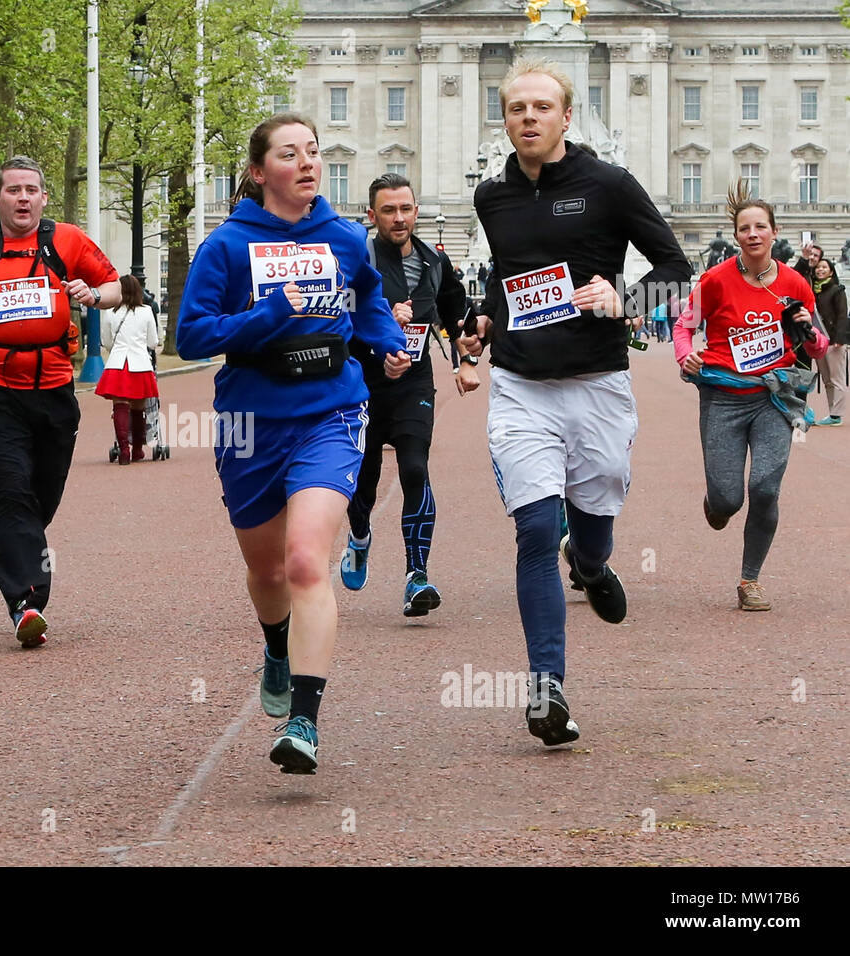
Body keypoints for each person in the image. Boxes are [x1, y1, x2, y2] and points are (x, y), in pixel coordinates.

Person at [461, 58, 691, 747]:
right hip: (522, 386)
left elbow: (677, 268)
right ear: (504, 119)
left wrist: (627, 302)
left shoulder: (610, 184)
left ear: (566, 115)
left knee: (593, 518)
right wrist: (484, 321)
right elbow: (504, 278)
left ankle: (589, 563)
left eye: (541, 107)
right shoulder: (490, 197)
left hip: (597, 386)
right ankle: (547, 687)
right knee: (533, 530)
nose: (527, 118)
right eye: (515, 108)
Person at [175, 114, 411, 774]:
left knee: (308, 562)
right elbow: (192, 337)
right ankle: (276, 644)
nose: (308, 163)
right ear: (259, 172)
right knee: (269, 571)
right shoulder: (226, 246)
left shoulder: (342, 236)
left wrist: (387, 344)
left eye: (313, 152)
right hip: (250, 422)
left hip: (330, 412)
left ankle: (304, 719)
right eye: (290, 154)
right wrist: (268, 316)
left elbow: (367, 297)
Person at [0, 155, 120, 648]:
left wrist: (93, 294)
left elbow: (117, 287)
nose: (22, 198)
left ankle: (7, 539)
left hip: (56, 389)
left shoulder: (69, 241)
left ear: (43, 198)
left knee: (41, 499)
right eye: (12, 190)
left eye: (31, 190)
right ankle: (27, 602)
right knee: (12, 490)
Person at [675, 182, 828, 611]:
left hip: (773, 398)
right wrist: (687, 357)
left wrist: (807, 328)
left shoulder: (796, 283)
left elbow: (819, 345)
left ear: (774, 232)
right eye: (745, 228)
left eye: (761, 226)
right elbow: (683, 326)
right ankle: (716, 502)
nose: (753, 234)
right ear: (737, 235)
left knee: (764, 487)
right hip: (722, 396)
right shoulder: (715, 280)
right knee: (728, 499)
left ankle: (750, 580)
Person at [340, 172, 475, 618]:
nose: (399, 218)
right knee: (367, 477)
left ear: (416, 210)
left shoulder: (435, 260)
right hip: (363, 381)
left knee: (415, 466)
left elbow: (458, 314)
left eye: (406, 209)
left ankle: (417, 574)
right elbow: (335, 315)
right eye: (389, 210)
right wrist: (379, 321)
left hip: (414, 379)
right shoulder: (356, 258)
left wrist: (467, 356)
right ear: (372, 215)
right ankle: (359, 537)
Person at [96, 274, 159, 463]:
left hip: (117, 364)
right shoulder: (146, 311)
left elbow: (106, 342)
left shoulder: (110, 313)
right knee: (138, 409)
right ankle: (138, 449)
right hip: (139, 364)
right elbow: (153, 342)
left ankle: (124, 449)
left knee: (120, 407)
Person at [809, 259, 847, 426]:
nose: (820, 270)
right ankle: (832, 413)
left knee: (837, 378)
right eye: (818, 267)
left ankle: (836, 414)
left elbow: (842, 315)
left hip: (834, 341)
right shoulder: (814, 291)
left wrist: (839, 337)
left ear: (831, 272)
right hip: (820, 341)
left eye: (824, 267)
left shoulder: (837, 290)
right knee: (827, 379)